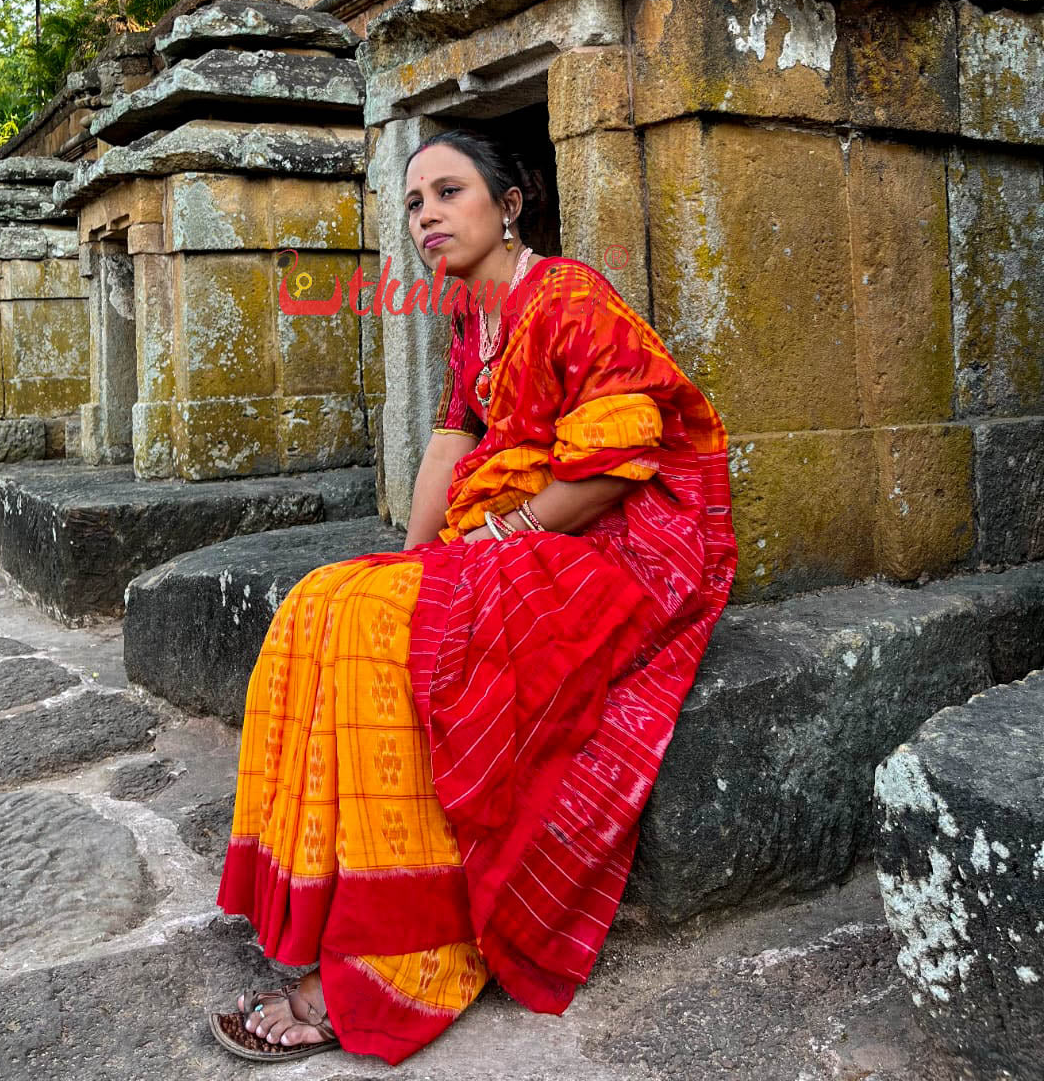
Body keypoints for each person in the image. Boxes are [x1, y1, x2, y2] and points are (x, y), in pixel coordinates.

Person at [209, 127, 738, 1064]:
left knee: (388, 633)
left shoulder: (568, 294)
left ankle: (394, 957)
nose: (428, 217)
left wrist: (498, 536)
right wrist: (415, 563)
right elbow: (453, 445)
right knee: (328, 600)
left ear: (510, 204)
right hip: (521, 531)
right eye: (415, 203)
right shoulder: (473, 315)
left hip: (613, 541)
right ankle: (323, 902)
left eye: (450, 193)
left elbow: (626, 454)